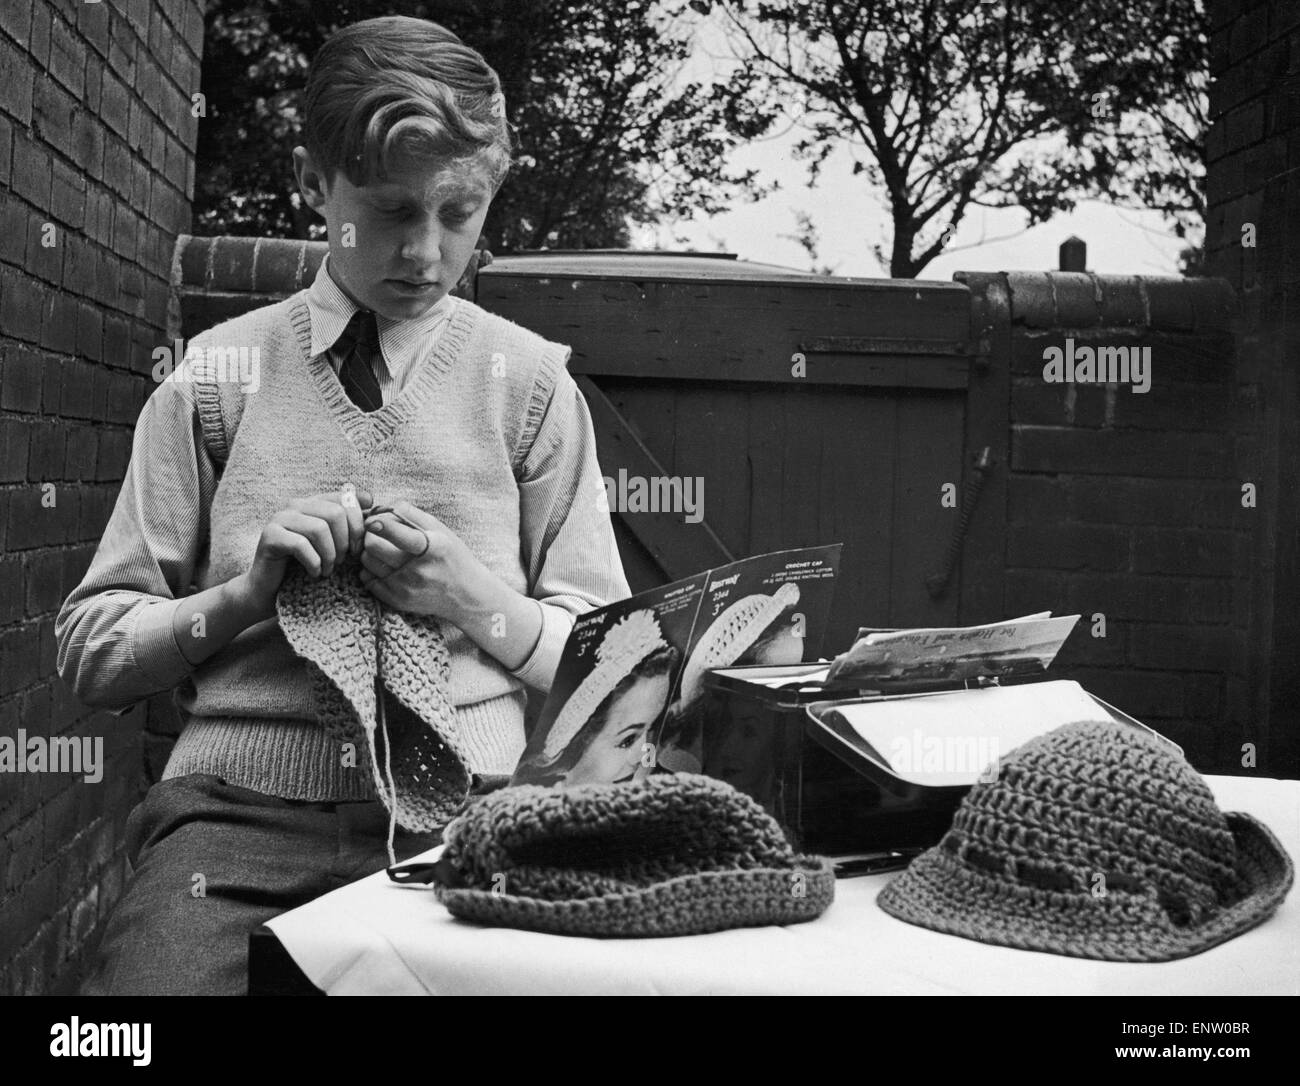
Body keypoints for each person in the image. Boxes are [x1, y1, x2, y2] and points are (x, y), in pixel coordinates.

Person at [54, 15, 629, 995]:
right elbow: (92, 654)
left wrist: (470, 596)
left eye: (459, 213)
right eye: (393, 210)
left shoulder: (530, 391)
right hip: (233, 832)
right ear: (316, 182)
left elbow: (616, 670)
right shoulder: (216, 385)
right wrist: (240, 598)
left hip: (478, 828)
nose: (425, 252)